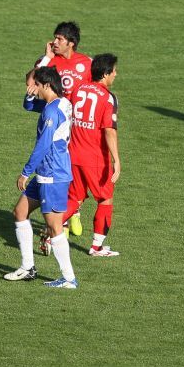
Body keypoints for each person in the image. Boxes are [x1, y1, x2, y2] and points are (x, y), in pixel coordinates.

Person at [4, 66, 78, 289]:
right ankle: (28, 268)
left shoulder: (51, 112)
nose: (32, 88)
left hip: (53, 175)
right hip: (47, 173)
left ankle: (68, 278)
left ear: (46, 84)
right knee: (20, 212)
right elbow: (28, 106)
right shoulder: (59, 103)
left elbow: (43, 145)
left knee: (54, 227)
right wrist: (29, 95)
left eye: (35, 84)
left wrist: (26, 172)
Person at [30, 21, 92, 237]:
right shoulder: (48, 61)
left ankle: (74, 209)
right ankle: (62, 219)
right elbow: (31, 82)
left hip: (81, 126)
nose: (54, 42)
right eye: (54, 38)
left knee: (77, 168)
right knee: (60, 166)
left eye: (60, 39)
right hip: (58, 123)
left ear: (71, 43)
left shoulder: (87, 63)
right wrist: (46, 57)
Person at [61, 53, 121, 257]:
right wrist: (116, 159)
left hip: (73, 153)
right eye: (114, 71)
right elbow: (109, 130)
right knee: (105, 199)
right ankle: (96, 247)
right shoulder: (108, 97)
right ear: (105, 74)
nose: (115, 74)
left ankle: (51, 229)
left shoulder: (78, 88)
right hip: (95, 158)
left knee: (75, 197)